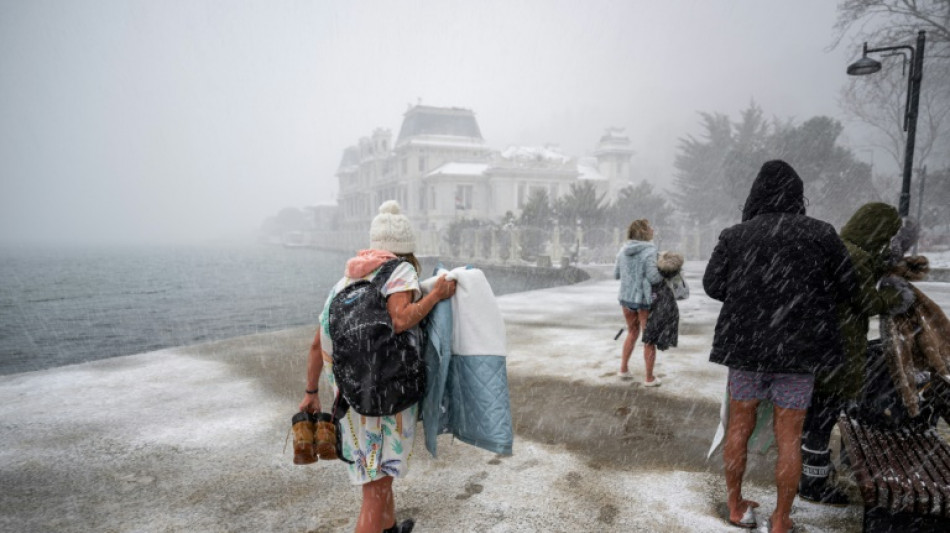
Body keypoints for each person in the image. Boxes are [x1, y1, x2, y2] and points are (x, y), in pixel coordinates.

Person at [703, 160, 854, 533]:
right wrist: (808, 301)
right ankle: (781, 518)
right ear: (797, 195)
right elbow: (849, 289)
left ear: (757, 193)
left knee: (739, 427)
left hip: (747, 350)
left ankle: (736, 505)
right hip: (799, 356)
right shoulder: (822, 234)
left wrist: (749, 298)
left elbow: (712, 285)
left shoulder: (736, 235)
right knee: (790, 438)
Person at [299, 200, 456, 533]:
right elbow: (400, 319)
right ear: (406, 249)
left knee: (378, 477)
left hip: (353, 397)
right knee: (377, 487)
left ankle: (390, 529)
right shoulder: (400, 271)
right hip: (388, 399)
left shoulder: (344, 283)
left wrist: (311, 392)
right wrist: (436, 295)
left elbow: (317, 343)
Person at [800, 203, 910, 505]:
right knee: (822, 421)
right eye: (888, 235)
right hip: (840, 350)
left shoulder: (843, 247)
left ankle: (806, 477)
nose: (890, 242)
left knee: (813, 419)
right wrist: (897, 296)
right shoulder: (857, 257)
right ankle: (813, 483)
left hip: (822, 348)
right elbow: (864, 300)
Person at [614, 218, 664, 386]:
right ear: (643, 232)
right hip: (644, 299)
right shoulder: (650, 251)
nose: (653, 230)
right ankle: (649, 378)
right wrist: (664, 271)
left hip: (626, 298)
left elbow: (616, 274)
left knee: (632, 332)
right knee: (648, 338)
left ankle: (623, 369)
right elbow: (653, 277)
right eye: (650, 227)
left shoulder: (623, 250)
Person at [642, 250, 685, 352]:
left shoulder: (655, 273)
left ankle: (655, 339)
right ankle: (662, 340)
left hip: (654, 301)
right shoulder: (676, 275)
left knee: (649, 339)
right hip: (668, 305)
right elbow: (682, 293)